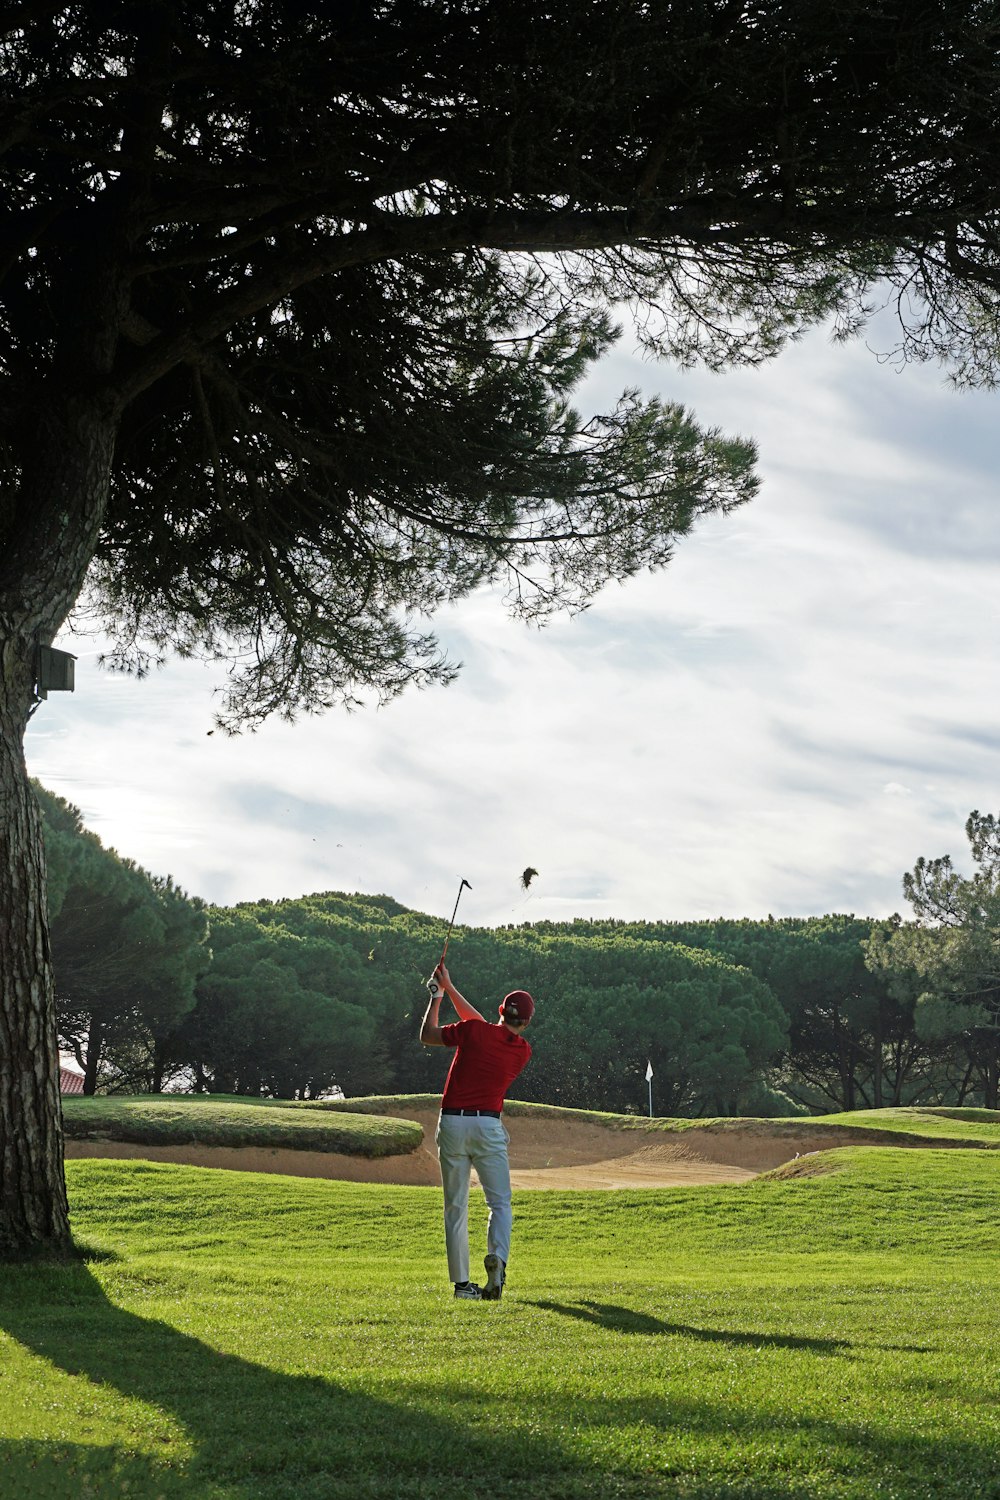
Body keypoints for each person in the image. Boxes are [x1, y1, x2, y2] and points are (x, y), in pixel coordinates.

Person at [420, 961, 534, 1301]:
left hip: (453, 1123)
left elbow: (428, 1034)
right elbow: (483, 1026)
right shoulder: (522, 1052)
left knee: (455, 1205)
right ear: (525, 1023)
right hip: (488, 1126)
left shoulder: (474, 1032)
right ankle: (497, 1261)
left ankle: (461, 1286)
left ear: (501, 1011)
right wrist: (451, 988)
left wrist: (437, 996)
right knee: (500, 1203)